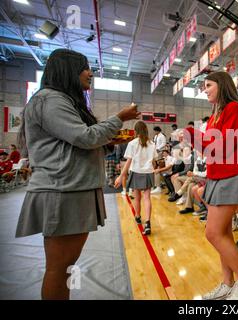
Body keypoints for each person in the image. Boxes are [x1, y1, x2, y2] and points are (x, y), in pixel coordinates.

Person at [15, 48, 139, 300]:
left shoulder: (59, 100)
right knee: (59, 269)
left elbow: (75, 141)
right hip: (63, 189)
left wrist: (106, 141)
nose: (89, 73)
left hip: (71, 188)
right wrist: (119, 118)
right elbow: (83, 137)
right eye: (84, 67)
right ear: (68, 70)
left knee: (65, 267)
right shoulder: (50, 100)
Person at [185, 71, 238, 300]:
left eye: (208, 85)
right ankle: (227, 283)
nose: (204, 89)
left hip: (232, 175)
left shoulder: (234, 108)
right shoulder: (218, 113)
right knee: (224, 232)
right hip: (219, 175)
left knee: (213, 233)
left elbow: (220, 148)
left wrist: (190, 134)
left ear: (221, 85)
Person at [115, 121, 157, 235]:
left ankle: (138, 216)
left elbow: (128, 162)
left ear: (136, 130)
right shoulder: (152, 144)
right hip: (148, 172)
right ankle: (148, 223)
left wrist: (120, 176)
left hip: (136, 172)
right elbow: (154, 161)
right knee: (147, 198)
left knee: (137, 198)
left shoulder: (132, 143)